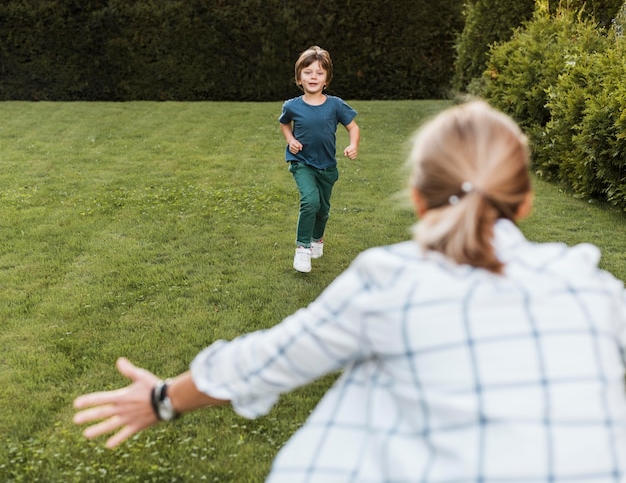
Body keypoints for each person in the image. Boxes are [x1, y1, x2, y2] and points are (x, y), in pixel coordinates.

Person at [74, 101, 626, 482]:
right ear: (525, 203)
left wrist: (161, 398)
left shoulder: (391, 281)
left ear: (417, 197)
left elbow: (267, 361)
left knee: (374, 378)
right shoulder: (596, 291)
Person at [279, 45, 360, 273]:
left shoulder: (335, 105)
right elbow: (284, 123)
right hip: (302, 162)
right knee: (310, 202)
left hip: (327, 166)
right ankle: (302, 249)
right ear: (299, 77)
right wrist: (290, 140)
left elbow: (353, 127)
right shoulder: (292, 106)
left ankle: (317, 239)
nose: (313, 76)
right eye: (308, 72)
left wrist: (353, 144)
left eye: (319, 72)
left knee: (323, 209)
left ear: (327, 79)